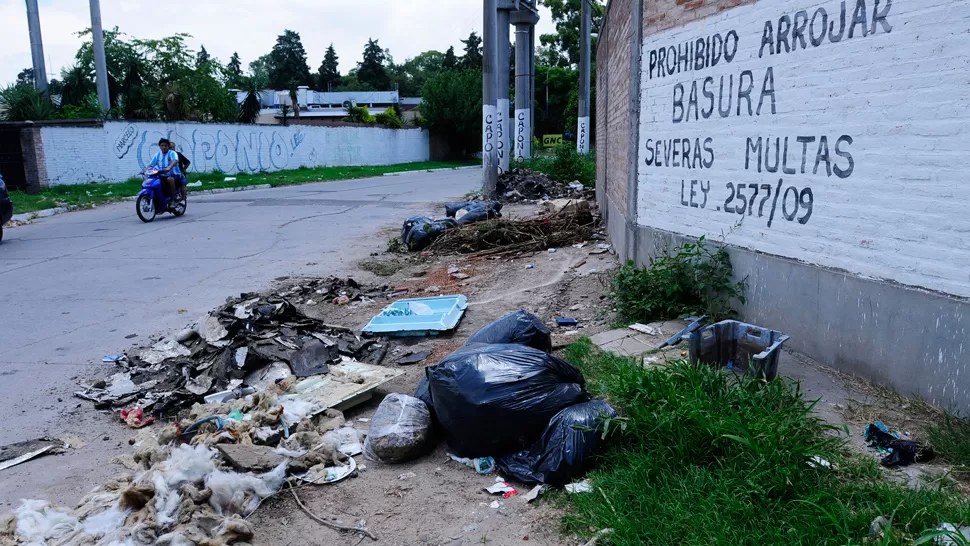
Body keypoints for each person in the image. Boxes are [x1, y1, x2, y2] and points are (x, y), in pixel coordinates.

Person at [144, 138, 181, 203]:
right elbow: (151, 165)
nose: (164, 147)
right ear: (160, 146)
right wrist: (145, 170)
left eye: (165, 145)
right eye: (162, 145)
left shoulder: (172, 153)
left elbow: (175, 160)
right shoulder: (157, 154)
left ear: (168, 146)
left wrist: (169, 167)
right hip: (161, 175)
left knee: (170, 179)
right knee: (151, 181)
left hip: (174, 174)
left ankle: (173, 200)